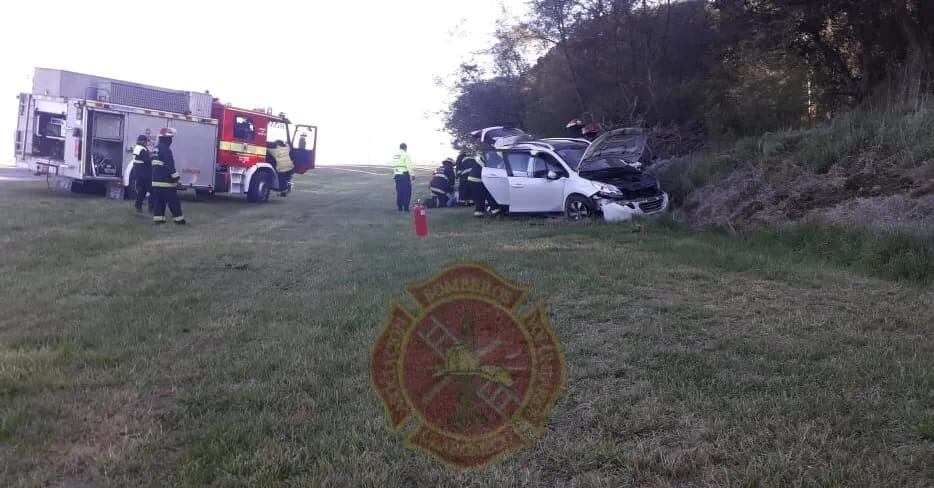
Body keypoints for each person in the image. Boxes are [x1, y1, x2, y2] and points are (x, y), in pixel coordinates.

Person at [150, 128, 186, 225]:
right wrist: (176, 178)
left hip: (155, 181)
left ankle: (159, 220)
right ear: (166, 139)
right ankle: (179, 221)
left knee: (159, 202)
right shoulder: (166, 150)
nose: (171, 140)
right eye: (170, 138)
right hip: (166, 182)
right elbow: (170, 166)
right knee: (174, 202)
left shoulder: (156, 149)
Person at [129, 134, 152, 213]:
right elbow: (147, 160)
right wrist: (153, 157)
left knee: (142, 191)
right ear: (142, 141)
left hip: (139, 173)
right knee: (152, 191)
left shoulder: (137, 147)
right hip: (145, 173)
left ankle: (138, 206)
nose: (146, 143)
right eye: (146, 141)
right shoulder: (142, 149)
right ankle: (152, 209)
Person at [392, 143, 414, 212]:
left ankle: (400, 207)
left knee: (399, 192)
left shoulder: (395, 155)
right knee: (407, 191)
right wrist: (412, 174)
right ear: (405, 148)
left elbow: (395, 165)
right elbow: (409, 165)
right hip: (404, 175)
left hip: (397, 175)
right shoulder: (405, 154)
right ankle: (406, 207)